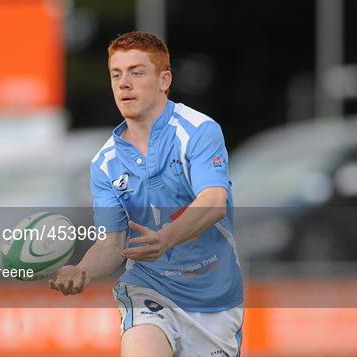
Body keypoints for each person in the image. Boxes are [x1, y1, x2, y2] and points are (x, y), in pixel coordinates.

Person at [50, 31, 244, 357]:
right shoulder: (105, 163)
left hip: (214, 298)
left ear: (164, 80)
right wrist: (82, 269)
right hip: (149, 289)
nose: (124, 83)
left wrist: (165, 238)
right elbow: (111, 243)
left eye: (136, 72)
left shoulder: (197, 131)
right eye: (116, 74)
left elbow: (213, 202)